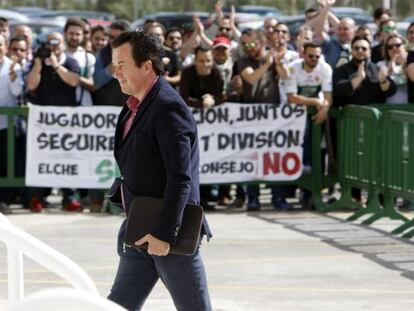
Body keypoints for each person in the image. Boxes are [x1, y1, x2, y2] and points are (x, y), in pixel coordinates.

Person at [108, 30, 212, 311]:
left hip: (169, 235)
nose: (116, 73)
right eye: (113, 66)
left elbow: (180, 178)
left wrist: (164, 234)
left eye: (122, 65)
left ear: (146, 65)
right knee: (116, 307)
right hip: (140, 229)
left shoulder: (168, 108)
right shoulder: (133, 107)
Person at [26, 32, 82, 212]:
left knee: (66, 158)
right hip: (43, 123)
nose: (53, 48)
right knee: (42, 159)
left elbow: (73, 81)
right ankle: (37, 196)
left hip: (66, 122)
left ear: (63, 45)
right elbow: (31, 85)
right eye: (50, 44)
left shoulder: (71, 62)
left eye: (57, 44)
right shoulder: (38, 63)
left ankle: (69, 196)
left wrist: (56, 65)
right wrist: (37, 64)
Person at [0, 34, 23, 214]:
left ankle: (4, 200)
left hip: (5, 125)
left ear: (5, 46)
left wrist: (15, 77)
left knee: (5, 164)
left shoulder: (13, 66)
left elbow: (17, 92)